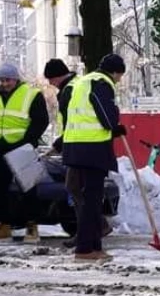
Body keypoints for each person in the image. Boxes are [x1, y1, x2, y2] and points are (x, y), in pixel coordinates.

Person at [62, 53, 125, 262]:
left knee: (91, 198)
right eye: (120, 75)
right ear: (115, 72)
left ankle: (94, 246)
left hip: (76, 145)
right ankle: (84, 248)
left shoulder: (83, 82)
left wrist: (113, 129)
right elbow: (106, 117)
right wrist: (115, 124)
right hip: (91, 148)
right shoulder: (101, 83)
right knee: (92, 199)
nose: (119, 80)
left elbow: (89, 114)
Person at [47, 58, 115, 249]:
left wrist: (60, 143)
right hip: (85, 145)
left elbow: (73, 121)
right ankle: (92, 229)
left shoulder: (70, 90)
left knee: (76, 188)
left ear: (58, 76)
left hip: (80, 146)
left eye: (51, 79)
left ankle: (89, 232)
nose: (50, 84)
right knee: (81, 189)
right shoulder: (79, 84)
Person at [0, 63, 49, 243]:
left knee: (28, 189)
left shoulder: (31, 94)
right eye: (2, 80)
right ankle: (3, 227)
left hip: (22, 149)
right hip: (2, 147)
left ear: (16, 79)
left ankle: (32, 228)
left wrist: (27, 141)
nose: (4, 83)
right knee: (0, 189)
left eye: (8, 79)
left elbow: (41, 121)